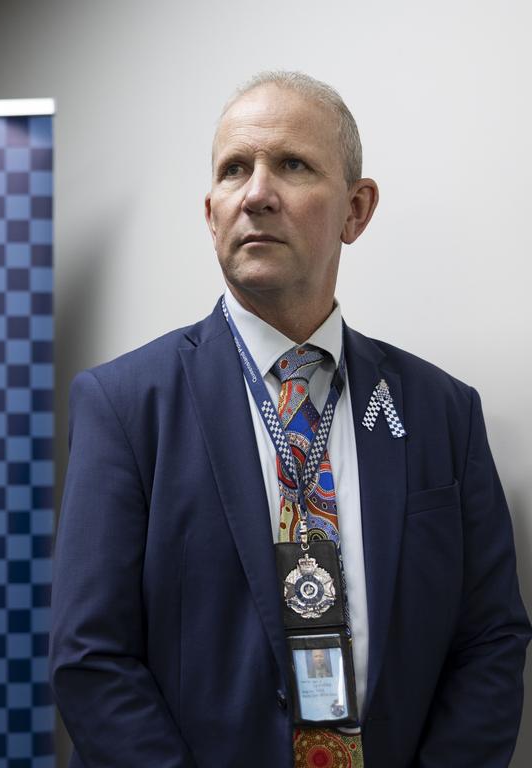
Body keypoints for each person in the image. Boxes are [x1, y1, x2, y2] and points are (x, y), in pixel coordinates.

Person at [50, 71, 531, 768]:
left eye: (293, 165)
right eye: (234, 170)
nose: (257, 193)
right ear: (211, 212)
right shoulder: (126, 405)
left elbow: (490, 640)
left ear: (356, 211)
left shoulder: (442, 413)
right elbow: (89, 659)